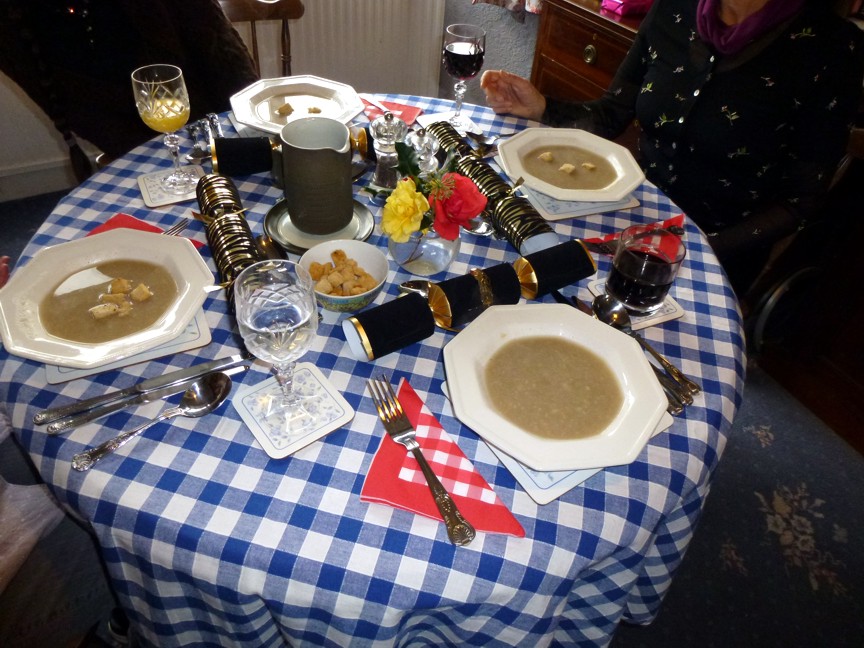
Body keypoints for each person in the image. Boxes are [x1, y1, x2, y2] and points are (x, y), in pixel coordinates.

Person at [481, 0, 864, 296]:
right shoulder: (673, 9)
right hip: (627, 216)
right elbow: (611, 114)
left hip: (717, 254)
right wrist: (542, 107)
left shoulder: (832, 49)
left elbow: (800, 202)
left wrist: (701, 249)